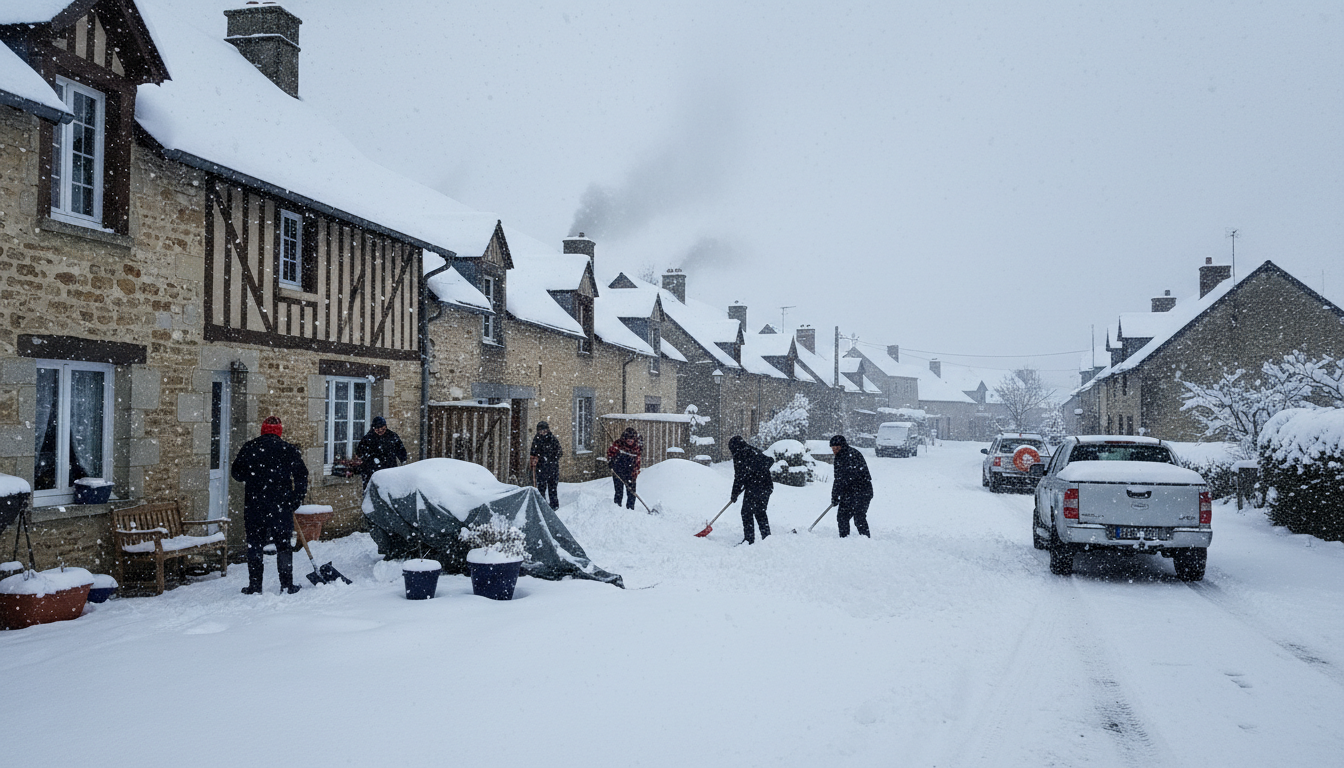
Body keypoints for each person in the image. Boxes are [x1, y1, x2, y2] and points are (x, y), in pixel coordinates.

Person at [231, 416, 309, 594]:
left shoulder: (250, 447)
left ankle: (255, 586)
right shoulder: (287, 449)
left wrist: (253, 474)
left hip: (255, 505)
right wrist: (295, 499)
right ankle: (287, 585)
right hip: (280, 506)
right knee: (283, 545)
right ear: (279, 431)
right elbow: (301, 476)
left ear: (262, 430)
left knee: (255, 544)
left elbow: (237, 473)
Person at [728, 435, 774, 543]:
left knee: (746, 512)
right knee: (760, 512)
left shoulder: (739, 455)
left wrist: (734, 494)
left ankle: (749, 539)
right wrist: (754, 473)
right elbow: (769, 461)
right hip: (766, 486)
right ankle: (767, 538)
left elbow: (739, 477)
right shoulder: (753, 450)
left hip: (755, 487)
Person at [830, 434, 873, 538]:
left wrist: (836, 495)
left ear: (842, 446)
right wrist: (835, 496)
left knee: (859, 517)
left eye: (836, 448)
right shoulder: (841, 457)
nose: (834, 451)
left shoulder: (849, 456)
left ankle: (866, 540)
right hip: (850, 492)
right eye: (832, 448)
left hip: (862, 491)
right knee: (842, 517)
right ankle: (844, 539)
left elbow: (842, 479)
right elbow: (838, 479)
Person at [355, 415, 408, 490]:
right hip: (372, 473)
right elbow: (360, 454)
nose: (380, 430)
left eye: (382, 429)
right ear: (373, 428)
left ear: (385, 426)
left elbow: (400, 450)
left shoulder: (392, 436)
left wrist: (403, 459)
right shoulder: (367, 439)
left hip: (389, 470)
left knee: (389, 490)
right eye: (377, 429)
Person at [529, 421, 563, 510]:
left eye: (544, 431)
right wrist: (534, 459)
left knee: (552, 489)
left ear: (547, 430)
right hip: (541, 469)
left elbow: (559, 452)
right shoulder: (536, 439)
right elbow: (533, 452)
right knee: (541, 489)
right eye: (540, 431)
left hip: (552, 469)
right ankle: (541, 506)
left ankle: (554, 507)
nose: (542, 433)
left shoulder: (552, 439)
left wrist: (551, 458)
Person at [606, 427, 643, 510]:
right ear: (624, 438)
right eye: (628, 439)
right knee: (619, 492)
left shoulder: (636, 449)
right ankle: (616, 508)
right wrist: (611, 462)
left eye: (632, 439)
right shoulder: (618, 444)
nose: (630, 441)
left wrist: (634, 475)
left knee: (631, 493)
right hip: (617, 470)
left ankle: (630, 510)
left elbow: (637, 463)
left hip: (630, 472)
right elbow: (610, 453)